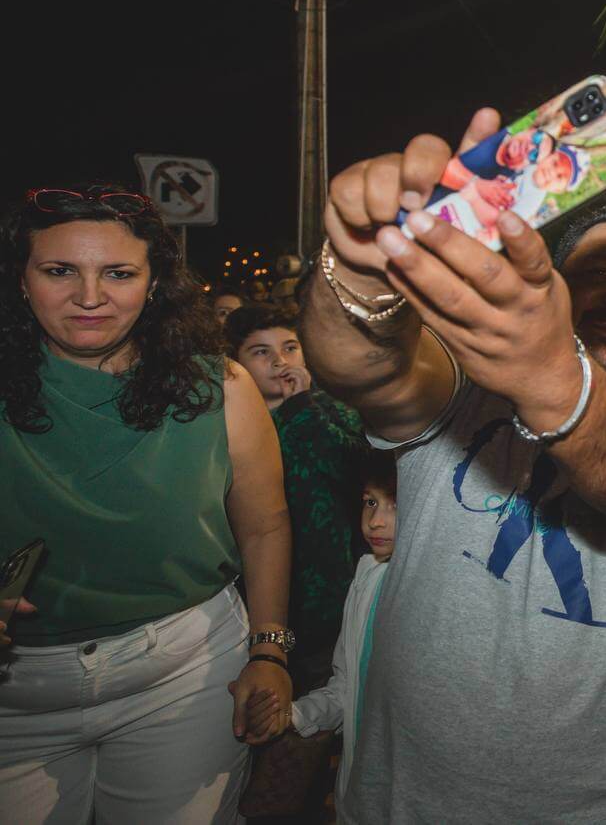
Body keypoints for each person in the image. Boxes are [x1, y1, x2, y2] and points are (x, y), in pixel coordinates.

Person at [296, 109, 606, 823]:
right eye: (598, 276)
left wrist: (552, 379)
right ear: (556, 290)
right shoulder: (462, 376)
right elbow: (365, 372)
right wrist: (360, 269)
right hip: (409, 798)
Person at [0, 184, 292, 822]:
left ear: (155, 282)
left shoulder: (222, 385)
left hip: (184, 678)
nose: (89, 296)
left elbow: (265, 528)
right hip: (13, 699)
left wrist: (269, 651)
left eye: (119, 273)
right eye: (58, 271)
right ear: (20, 280)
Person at [225, 304, 368, 694]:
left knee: (319, 706)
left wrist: (301, 406)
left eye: (290, 347)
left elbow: (351, 467)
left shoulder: (333, 410)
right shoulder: (224, 424)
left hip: (328, 593)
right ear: (235, 363)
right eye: (260, 352)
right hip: (253, 596)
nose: (279, 361)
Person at [247, 450, 398, 809]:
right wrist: (294, 715)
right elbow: (346, 687)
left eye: (395, 506)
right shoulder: (366, 574)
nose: (376, 521)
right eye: (370, 502)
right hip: (359, 794)